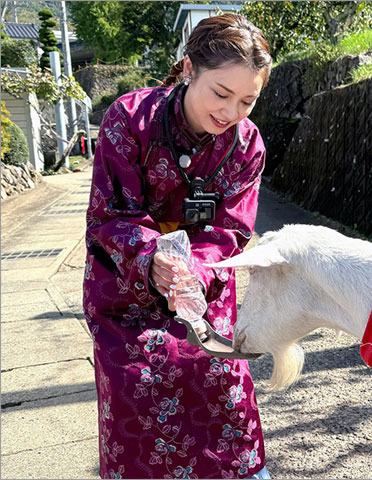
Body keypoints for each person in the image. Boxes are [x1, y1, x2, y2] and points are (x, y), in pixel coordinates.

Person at [83, 13, 272, 479]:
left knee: (227, 396)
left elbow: (231, 231)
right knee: (138, 397)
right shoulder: (128, 119)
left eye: (248, 100)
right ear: (189, 69)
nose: (231, 113)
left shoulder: (246, 145)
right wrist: (153, 260)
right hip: (127, 295)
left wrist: (195, 273)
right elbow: (111, 215)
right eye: (221, 94)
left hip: (203, 295)